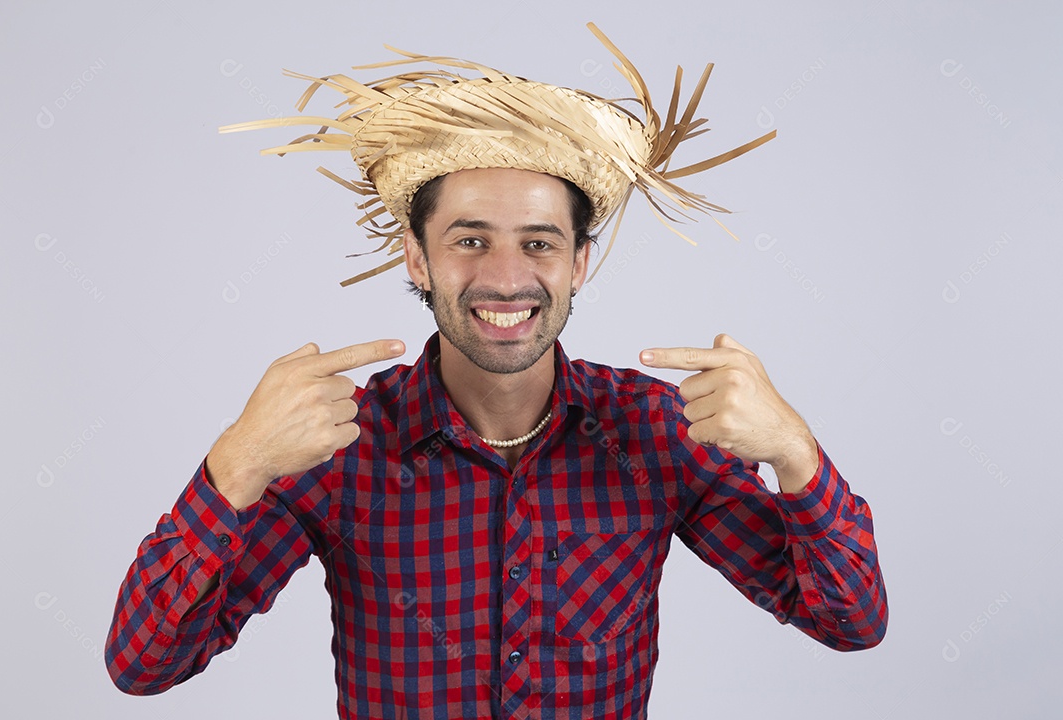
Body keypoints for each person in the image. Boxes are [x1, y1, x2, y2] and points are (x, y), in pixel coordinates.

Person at [105, 24, 887, 719]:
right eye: (470, 240)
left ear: (581, 263)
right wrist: (237, 463)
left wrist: (794, 453)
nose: (507, 278)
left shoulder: (656, 432)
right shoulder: (337, 448)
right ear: (417, 256)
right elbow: (145, 666)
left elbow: (849, 624)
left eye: (540, 243)